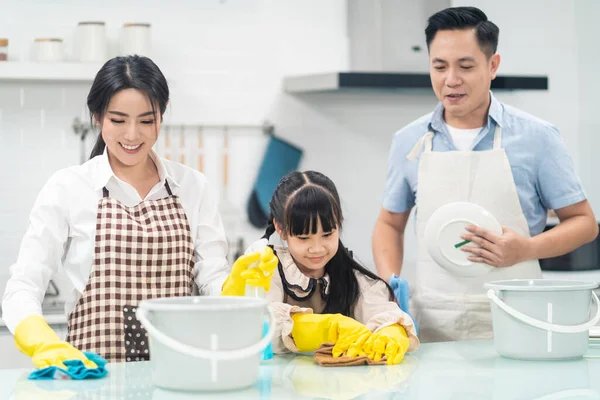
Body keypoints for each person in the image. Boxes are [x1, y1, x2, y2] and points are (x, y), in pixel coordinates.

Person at [1, 55, 275, 371]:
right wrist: (43, 342)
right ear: (97, 116)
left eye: (147, 120)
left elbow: (212, 277)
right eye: (118, 120)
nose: (132, 135)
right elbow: (23, 286)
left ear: (162, 114)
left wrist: (239, 291)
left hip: (181, 375)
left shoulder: (192, 186)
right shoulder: (68, 188)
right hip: (94, 379)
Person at [372, 7, 598, 343]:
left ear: (493, 66)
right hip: (434, 323)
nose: (451, 79)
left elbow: (584, 223)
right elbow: (390, 223)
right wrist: (390, 283)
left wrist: (525, 249)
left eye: (465, 66)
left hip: (518, 319)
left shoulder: (537, 138)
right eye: (439, 66)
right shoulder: (410, 141)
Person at [260, 171, 419, 365]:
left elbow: (383, 313)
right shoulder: (267, 269)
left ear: (339, 224)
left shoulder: (352, 279)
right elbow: (262, 320)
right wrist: (328, 327)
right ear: (280, 229)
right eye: (304, 238)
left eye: (327, 234)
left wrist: (391, 333)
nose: (317, 248)